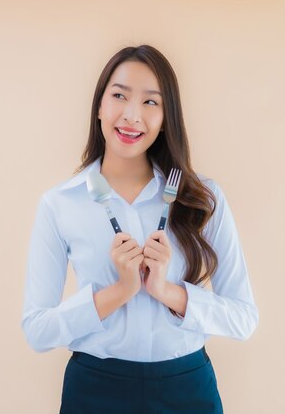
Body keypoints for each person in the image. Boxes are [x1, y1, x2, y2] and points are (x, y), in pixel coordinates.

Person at [21, 45, 259, 414]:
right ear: (99, 106)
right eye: (119, 96)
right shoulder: (60, 204)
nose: (132, 115)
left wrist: (168, 292)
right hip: (94, 390)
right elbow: (37, 330)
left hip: (187, 389)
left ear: (167, 118)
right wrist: (119, 292)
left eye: (151, 102)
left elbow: (244, 319)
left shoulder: (203, 198)